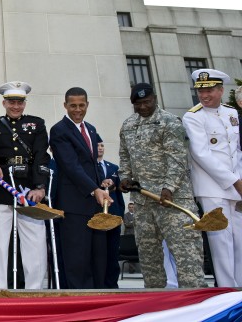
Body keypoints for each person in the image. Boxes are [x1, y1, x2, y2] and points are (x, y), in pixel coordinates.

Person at [119, 82, 206, 288]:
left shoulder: (170, 122)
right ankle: (156, 304)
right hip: (143, 202)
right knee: (149, 257)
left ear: (155, 99)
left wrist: (168, 188)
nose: (143, 107)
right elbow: (125, 156)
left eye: (146, 102)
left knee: (187, 255)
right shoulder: (128, 125)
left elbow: (177, 158)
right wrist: (124, 177)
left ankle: (195, 304)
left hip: (173, 201)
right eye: (138, 104)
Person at [0, 81, 50, 289]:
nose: (16, 107)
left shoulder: (37, 124)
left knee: (35, 243)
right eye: (12, 102)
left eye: (20, 103)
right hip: (0, 190)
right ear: (4, 103)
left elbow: (41, 156)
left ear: (24, 104)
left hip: (28, 191)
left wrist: (40, 187)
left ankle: (35, 290)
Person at [183, 69, 242, 287]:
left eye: (209, 90)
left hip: (237, 187)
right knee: (222, 243)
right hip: (212, 188)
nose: (204, 95)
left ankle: (240, 290)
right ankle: (227, 291)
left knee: (239, 241)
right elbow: (201, 154)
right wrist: (234, 181)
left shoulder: (231, 113)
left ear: (220, 90)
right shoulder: (193, 116)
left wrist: (240, 180)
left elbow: (236, 151)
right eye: (200, 91)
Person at [49, 87, 111, 289]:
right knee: (77, 257)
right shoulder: (59, 130)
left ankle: (99, 295)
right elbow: (71, 166)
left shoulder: (91, 129)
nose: (77, 109)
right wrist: (94, 189)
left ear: (87, 105)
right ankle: (80, 298)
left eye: (81, 105)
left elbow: (92, 164)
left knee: (97, 255)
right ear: (65, 105)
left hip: (95, 203)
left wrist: (102, 184)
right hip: (73, 204)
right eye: (73, 105)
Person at [96, 136, 124, 289]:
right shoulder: (89, 167)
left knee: (113, 252)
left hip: (113, 215)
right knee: (99, 252)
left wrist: (120, 213)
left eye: (102, 145)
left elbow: (119, 193)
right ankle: (99, 283)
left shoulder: (113, 167)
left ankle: (112, 284)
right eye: (97, 145)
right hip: (97, 216)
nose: (100, 148)